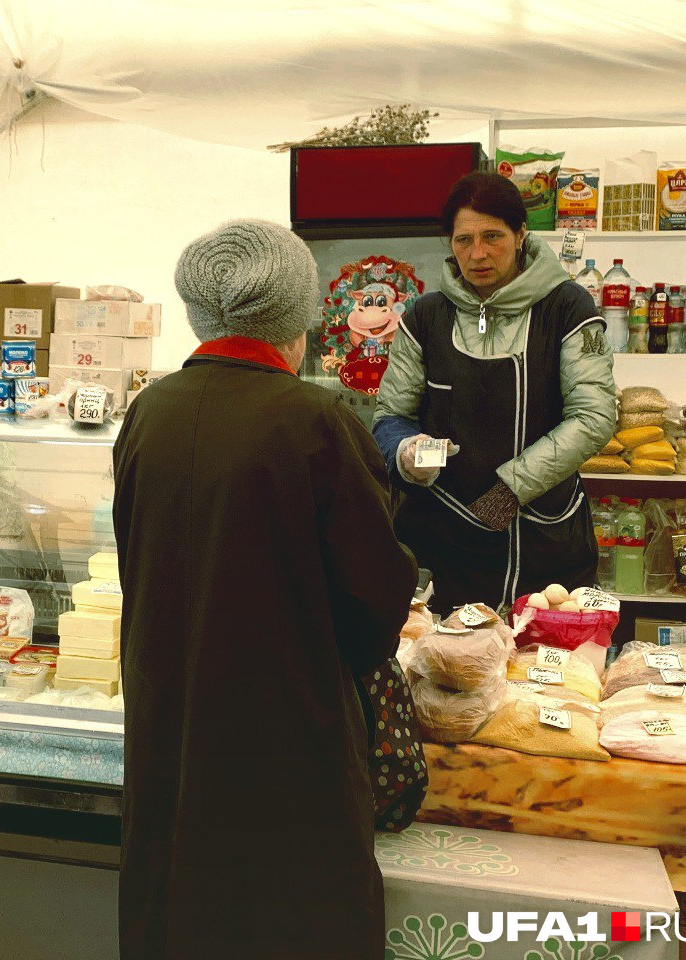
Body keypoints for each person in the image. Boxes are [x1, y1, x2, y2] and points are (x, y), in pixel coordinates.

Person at [113, 220, 418, 960]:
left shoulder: (149, 412)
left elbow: (139, 563)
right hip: (288, 750)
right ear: (299, 320)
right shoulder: (315, 420)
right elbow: (375, 607)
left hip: (171, 731)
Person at [373, 172, 616, 614]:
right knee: (446, 669)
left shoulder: (567, 307)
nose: (477, 253)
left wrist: (512, 489)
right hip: (444, 541)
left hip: (545, 536)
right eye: (463, 239)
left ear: (521, 234)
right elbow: (391, 417)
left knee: (549, 674)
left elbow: (593, 416)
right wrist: (407, 453)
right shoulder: (424, 317)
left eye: (492, 236)